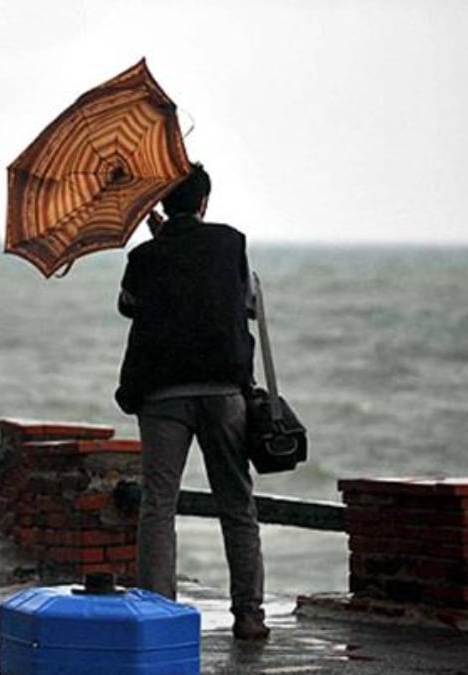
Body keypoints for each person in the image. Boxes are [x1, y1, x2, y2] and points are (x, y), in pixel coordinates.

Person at [114, 163, 269, 641]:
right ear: (204, 202)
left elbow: (128, 305)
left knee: (158, 505)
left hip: (162, 396)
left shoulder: (144, 256)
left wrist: (160, 245)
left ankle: (158, 613)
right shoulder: (230, 243)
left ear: (161, 203)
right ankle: (249, 615)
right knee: (237, 504)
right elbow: (246, 305)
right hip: (223, 392)